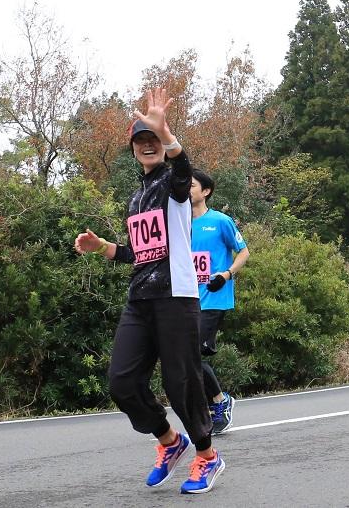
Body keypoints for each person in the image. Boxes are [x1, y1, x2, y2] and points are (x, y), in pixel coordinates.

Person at [73, 88, 223, 494]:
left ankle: (207, 457)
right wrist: (104, 248)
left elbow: (183, 166)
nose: (148, 146)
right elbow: (141, 252)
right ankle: (170, 442)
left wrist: (169, 135)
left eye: (153, 140)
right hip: (140, 299)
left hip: (177, 297)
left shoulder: (175, 186)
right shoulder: (136, 197)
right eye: (141, 142)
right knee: (121, 382)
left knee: (181, 383)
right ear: (134, 151)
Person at [190, 169, 249, 435]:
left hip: (213, 298)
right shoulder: (178, 223)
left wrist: (226, 274)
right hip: (185, 301)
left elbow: (244, 252)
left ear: (206, 191)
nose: (185, 189)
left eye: (191, 185)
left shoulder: (220, 221)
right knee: (184, 358)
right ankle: (216, 401)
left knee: (192, 355)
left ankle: (219, 403)